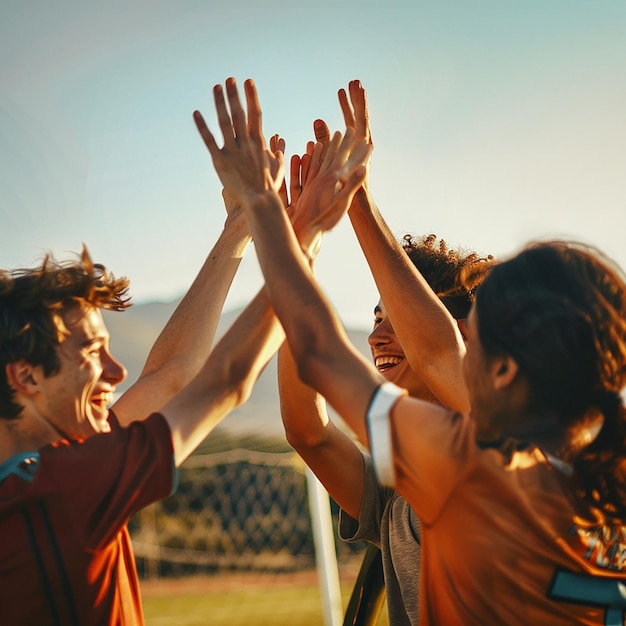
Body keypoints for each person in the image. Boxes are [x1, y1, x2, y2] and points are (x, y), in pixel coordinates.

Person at [197, 76, 626, 625]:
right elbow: (312, 426)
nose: (379, 335)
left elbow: (361, 352)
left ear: (501, 364)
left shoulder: (476, 470)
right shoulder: (600, 479)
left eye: (478, 333)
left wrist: (277, 217)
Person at [0, 180, 286, 622]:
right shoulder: (62, 487)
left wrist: (238, 229)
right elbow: (226, 379)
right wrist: (301, 238)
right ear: (26, 375)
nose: (118, 372)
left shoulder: (43, 472)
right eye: (93, 351)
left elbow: (170, 378)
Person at [280, 79, 495, 625]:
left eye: (394, 319)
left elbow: (439, 357)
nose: (376, 337)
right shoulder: (400, 483)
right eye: (375, 318)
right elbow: (309, 432)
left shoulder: (506, 446)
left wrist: (357, 203)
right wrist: (295, 252)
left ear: (464, 330)